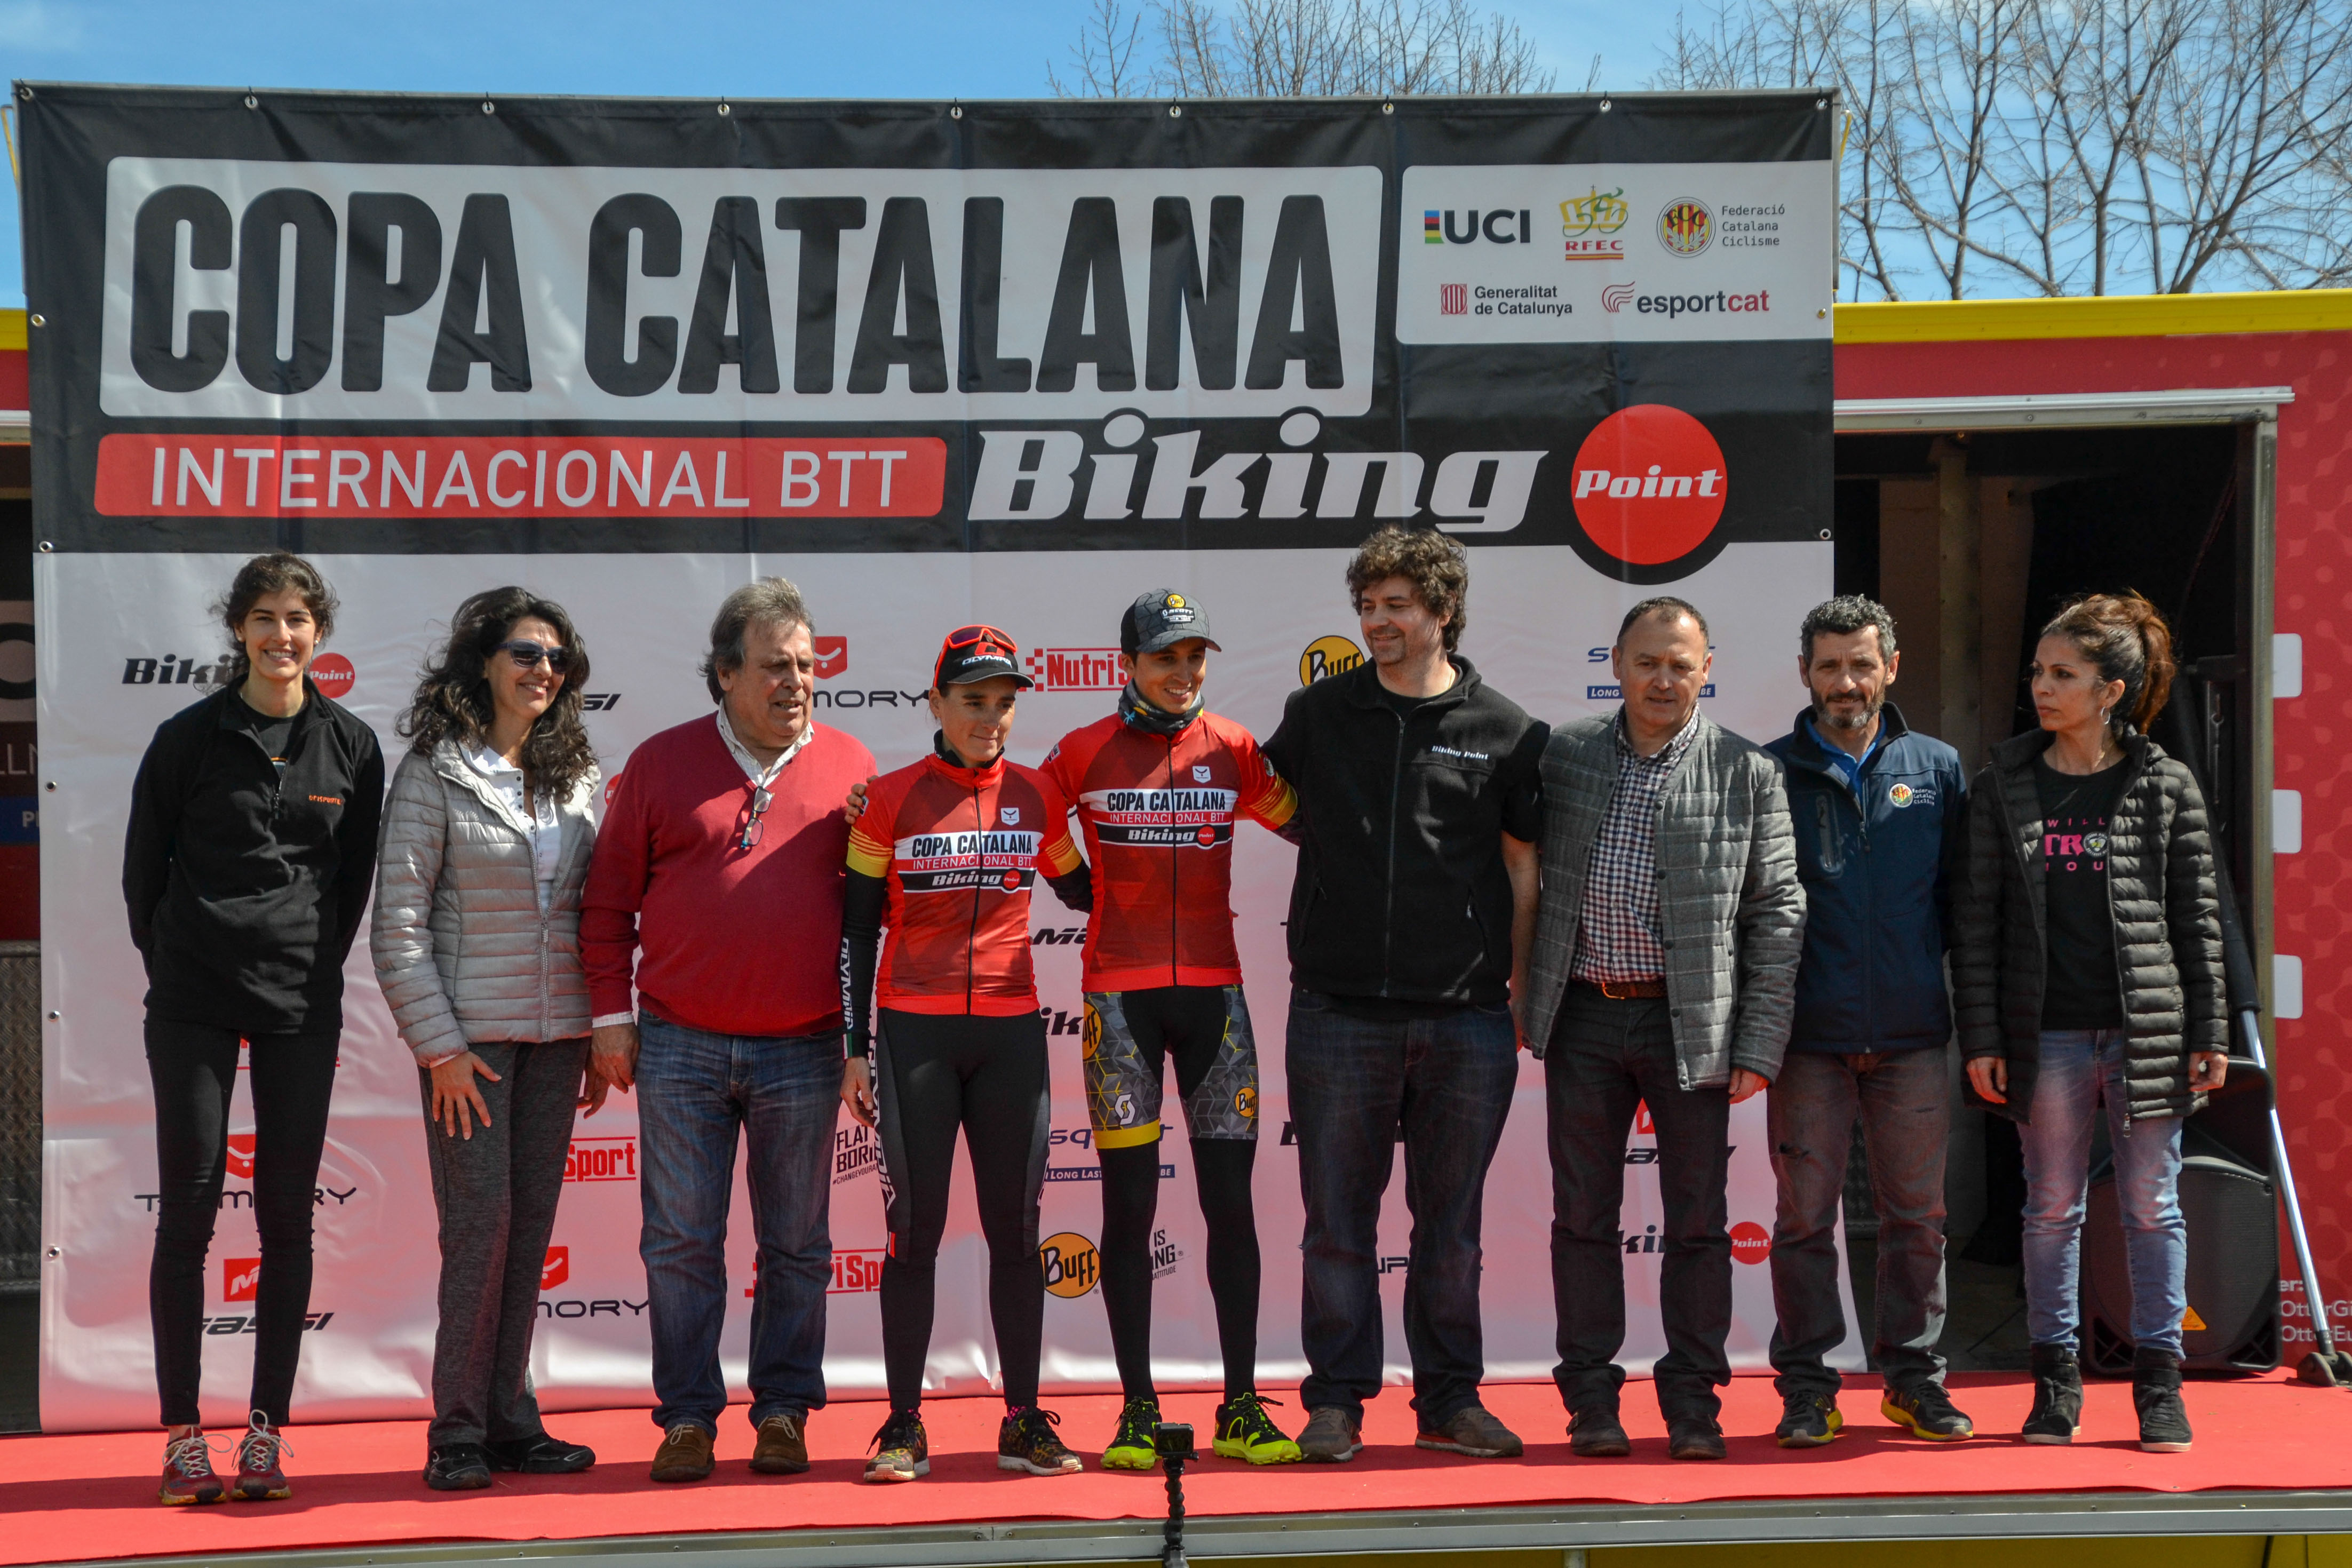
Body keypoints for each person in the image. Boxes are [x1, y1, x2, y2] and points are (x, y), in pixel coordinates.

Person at [1260, 527, 1547, 1464]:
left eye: (1396, 607)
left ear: (1443, 612)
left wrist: (1511, 992)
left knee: (1451, 1230)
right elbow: (1270, 802)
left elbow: (1522, 867)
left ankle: (1450, 1403)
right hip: (1338, 1011)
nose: (1378, 623)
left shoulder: (1506, 729)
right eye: (1368, 607)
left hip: (1465, 1019)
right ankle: (1337, 1402)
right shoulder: (1317, 714)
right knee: (1337, 1225)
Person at [579, 578, 876, 1484]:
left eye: (806, 665)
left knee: (797, 1244)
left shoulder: (854, 766)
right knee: (679, 1241)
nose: (797, 682)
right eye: (774, 666)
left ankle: (784, 1412)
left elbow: (879, 912)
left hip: (805, 1046)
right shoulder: (662, 764)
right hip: (677, 1044)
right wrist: (609, 1020)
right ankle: (688, 1420)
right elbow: (606, 905)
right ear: (724, 675)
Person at [123, 552, 384, 1506]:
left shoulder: (352, 744)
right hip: (191, 999)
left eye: (299, 620)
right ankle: (183, 1434)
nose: (283, 636)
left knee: (286, 1215)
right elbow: (141, 872)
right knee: (188, 1210)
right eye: (266, 618)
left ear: (321, 633)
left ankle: (265, 1433)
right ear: (239, 629)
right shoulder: (187, 738)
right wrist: (180, 961)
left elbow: (351, 883)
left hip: (300, 1007)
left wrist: (305, 965)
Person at [1521, 596, 1803, 1462]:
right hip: (1582, 1020)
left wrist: (1758, 1042)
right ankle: (1591, 1403)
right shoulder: (1562, 756)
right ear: (1615, 662)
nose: (1665, 679)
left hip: (1695, 1028)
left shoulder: (1748, 772)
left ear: (1707, 670)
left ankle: (1693, 1404)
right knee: (1582, 1221)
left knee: (1697, 1224)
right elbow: (1515, 871)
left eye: (1682, 664)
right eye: (1648, 662)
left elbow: (1779, 911)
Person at [1953, 592, 2225, 1453]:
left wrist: (2208, 1031)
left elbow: (2199, 919)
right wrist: (1986, 1038)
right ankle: (2055, 1386)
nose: (2041, 687)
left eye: (2062, 674)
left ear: (2109, 690)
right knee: (2051, 1209)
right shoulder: (2003, 786)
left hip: (2147, 1033)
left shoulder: (2165, 783)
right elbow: (1977, 925)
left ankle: (2159, 1388)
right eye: (2038, 671)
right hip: (2049, 1039)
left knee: (2151, 1206)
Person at [1039, 591, 1303, 1469]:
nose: (1183, 675)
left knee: (1231, 1207)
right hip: (1121, 1005)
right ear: (1128, 664)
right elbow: (1025, 812)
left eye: (1195, 658)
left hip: (1216, 1005)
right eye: (1165, 659)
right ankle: (1138, 1410)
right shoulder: (1081, 750)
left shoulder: (1232, 746)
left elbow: (1303, 820)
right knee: (1130, 1209)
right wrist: (1076, 883)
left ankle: (1240, 1406)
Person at [838, 625, 1095, 1483]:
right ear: (938, 704)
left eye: (1004, 702)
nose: (991, 717)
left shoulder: (1038, 796)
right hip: (915, 1036)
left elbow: (1086, 890)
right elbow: (856, 932)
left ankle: (1023, 1420)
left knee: (1017, 1235)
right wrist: (854, 1048)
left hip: (1014, 1036)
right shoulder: (888, 799)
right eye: (974, 701)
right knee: (914, 1234)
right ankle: (905, 1425)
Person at [372, 587, 604, 1491]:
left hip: (557, 1043)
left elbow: (593, 912)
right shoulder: (435, 770)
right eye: (524, 652)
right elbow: (397, 923)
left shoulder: (579, 772)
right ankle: (457, 1432)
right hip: (470, 1053)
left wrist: (593, 1031)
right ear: (482, 663)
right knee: (481, 1234)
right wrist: (439, 1049)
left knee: (528, 1231)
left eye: (557, 658)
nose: (542, 670)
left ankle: (511, 1419)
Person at [1761, 596, 1973, 1447]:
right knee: (1805, 1220)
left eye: (1861, 664)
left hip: (1913, 1035)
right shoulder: (1767, 771)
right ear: (1805, 673)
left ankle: (1914, 1382)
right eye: (1828, 666)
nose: (1845, 682)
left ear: (1891, 666)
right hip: (1806, 1039)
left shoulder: (1939, 767)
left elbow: (1963, 904)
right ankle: (1807, 1390)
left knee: (1917, 1218)